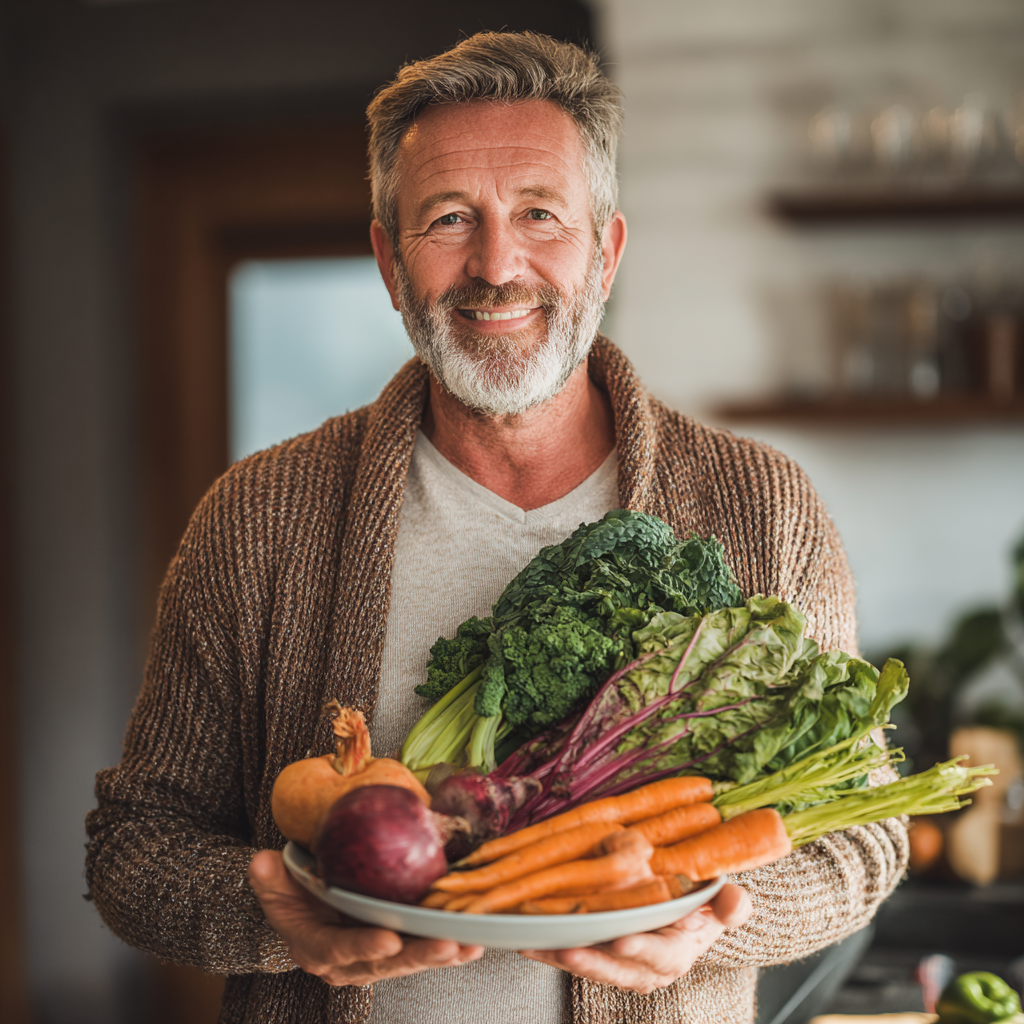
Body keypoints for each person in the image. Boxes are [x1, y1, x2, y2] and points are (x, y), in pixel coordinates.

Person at [85, 32, 908, 1024]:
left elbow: (863, 838)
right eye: (448, 219)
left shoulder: (763, 506)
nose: (496, 264)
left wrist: (710, 915)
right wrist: (270, 912)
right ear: (390, 262)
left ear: (606, 251)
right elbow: (135, 842)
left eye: (539, 214)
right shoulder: (258, 518)